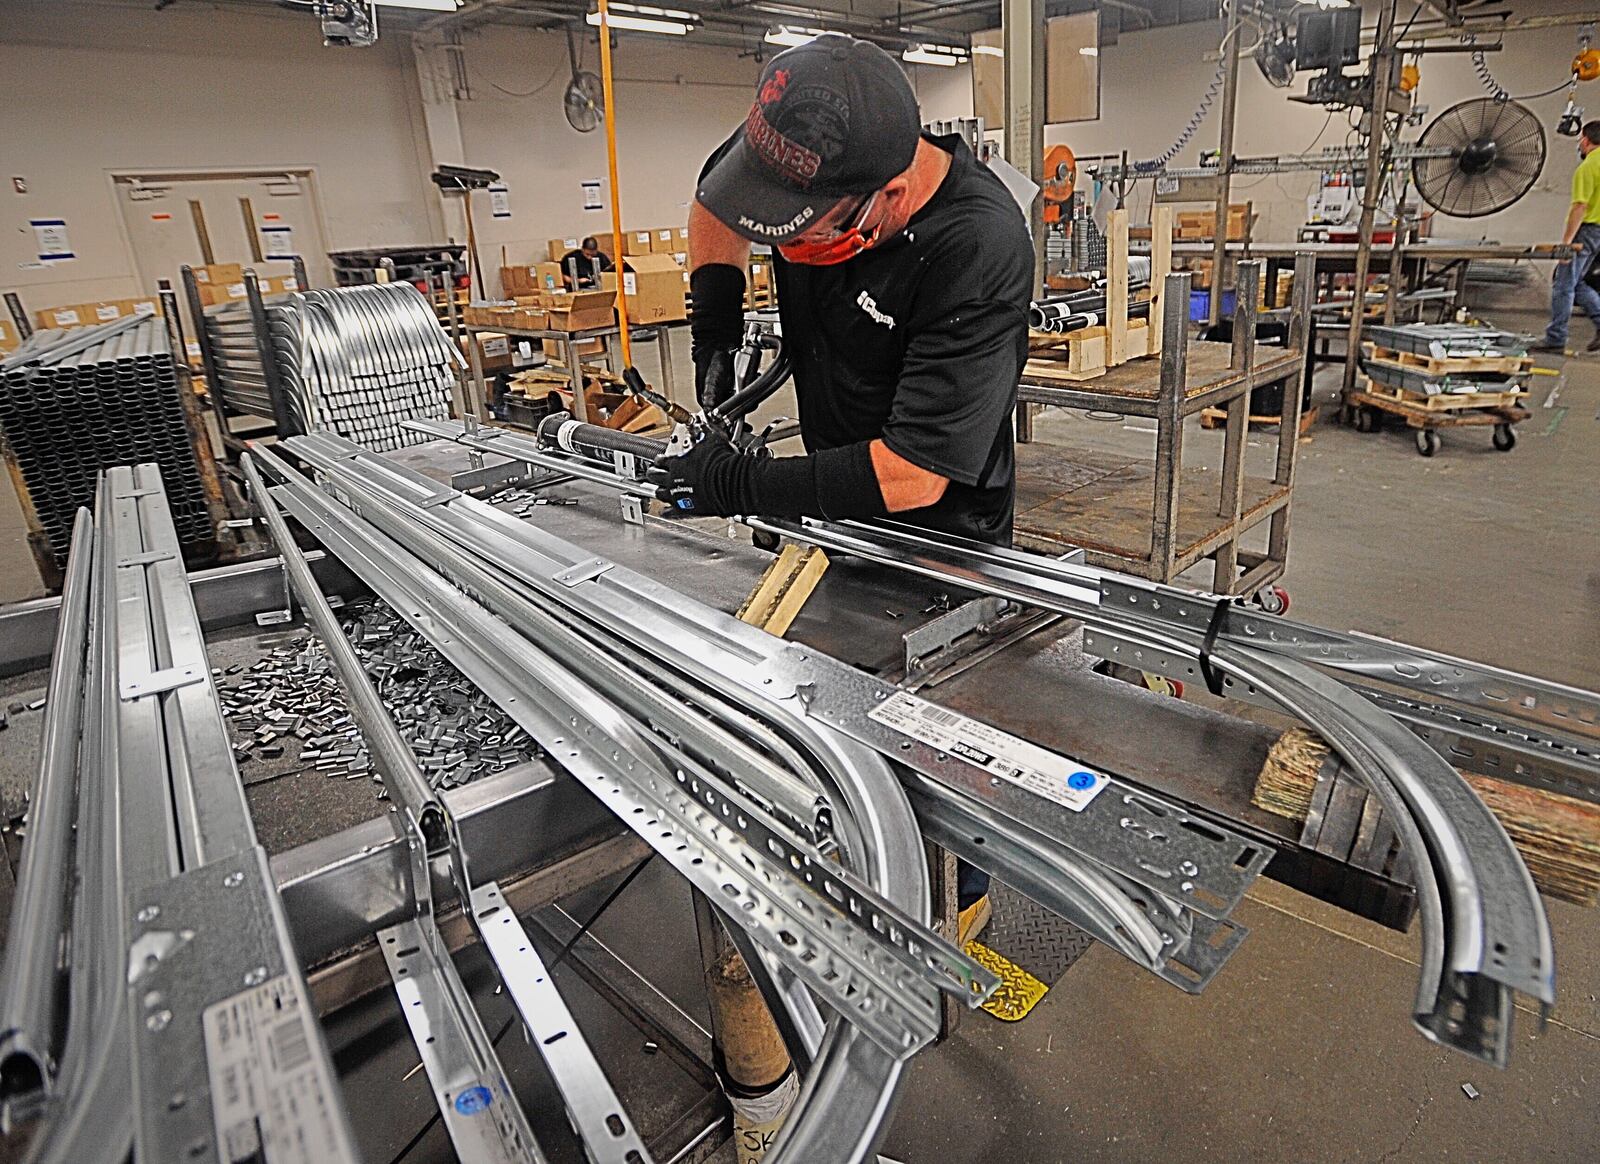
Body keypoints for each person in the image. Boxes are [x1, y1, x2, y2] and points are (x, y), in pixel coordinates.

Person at [649, 33, 1034, 941]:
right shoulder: (798, 158)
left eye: (809, 233)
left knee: (942, 751)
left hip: (941, 544)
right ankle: (848, 862)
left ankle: (957, 909)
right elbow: (714, 205)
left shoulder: (976, 247)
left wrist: (741, 482)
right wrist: (714, 325)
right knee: (826, 709)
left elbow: (914, 472)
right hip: (832, 513)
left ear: (887, 198)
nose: (790, 242)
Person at [1535, 120, 1600, 354]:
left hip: (1588, 230)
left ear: (1585, 140)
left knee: (1563, 285)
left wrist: (1567, 242)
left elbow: (1580, 207)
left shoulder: (1587, 168)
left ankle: (1556, 338)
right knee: (1577, 281)